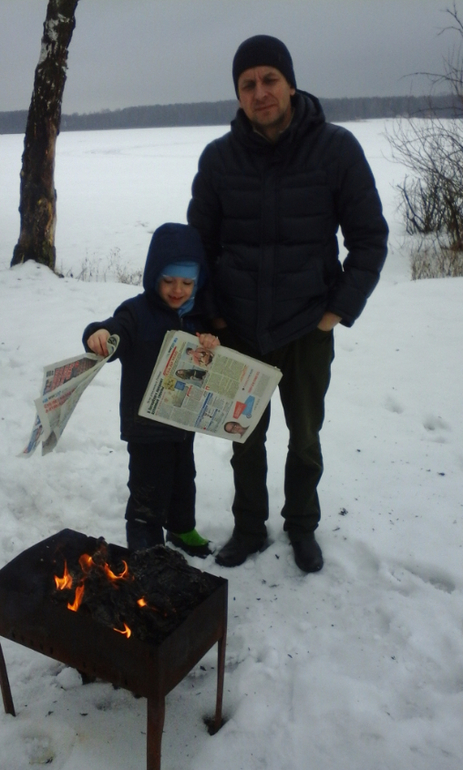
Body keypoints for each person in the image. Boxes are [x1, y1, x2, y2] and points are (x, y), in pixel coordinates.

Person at [187, 35, 388, 573]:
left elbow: (369, 238)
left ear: (290, 84)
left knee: (305, 438)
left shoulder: (336, 149)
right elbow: (198, 246)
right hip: (239, 328)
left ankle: (302, 525)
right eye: (247, 84)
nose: (260, 92)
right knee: (244, 440)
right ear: (238, 94)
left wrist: (335, 312)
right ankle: (250, 527)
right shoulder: (219, 159)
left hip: (306, 327)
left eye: (269, 79)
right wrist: (213, 316)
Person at [83, 223, 220, 557]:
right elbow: (115, 330)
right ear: (154, 275)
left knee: (183, 479)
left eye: (187, 283)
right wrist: (99, 334)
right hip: (145, 426)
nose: (178, 290)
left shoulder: (195, 317)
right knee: (149, 487)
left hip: (182, 422)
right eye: (169, 280)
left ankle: (181, 528)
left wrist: (210, 343)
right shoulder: (137, 312)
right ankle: (145, 541)